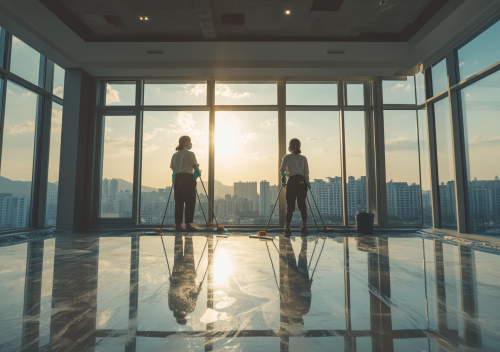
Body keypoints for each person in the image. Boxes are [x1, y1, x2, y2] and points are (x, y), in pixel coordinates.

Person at [280, 138, 310, 235]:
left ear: (290, 146)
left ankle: (287, 228)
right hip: (302, 182)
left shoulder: (287, 157)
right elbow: (306, 173)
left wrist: (284, 179)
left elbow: (282, 169)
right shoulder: (303, 158)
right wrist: (308, 183)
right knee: (302, 206)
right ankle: (304, 228)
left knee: (290, 206)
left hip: (292, 181)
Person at [170, 135, 201, 231]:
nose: (190, 144)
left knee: (178, 203)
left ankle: (178, 226)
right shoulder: (190, 154)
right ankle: (188, 225)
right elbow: (196, 169)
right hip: (188, 179)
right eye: (189, 141)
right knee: (189, 202)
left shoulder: (174, 155)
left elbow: (174, 169)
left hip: (178, 179)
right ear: (186, 143)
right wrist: (198, 171)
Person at [168, 235, 201, 325]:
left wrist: (198, 288)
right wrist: (171, 281)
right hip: (178, 276)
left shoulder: (190, 308)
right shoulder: (172, 307)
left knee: (189, 252)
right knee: (178, 254)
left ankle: (188, 236)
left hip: (188, 277)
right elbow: (171, 292)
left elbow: (194, 295)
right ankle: (179, 235)